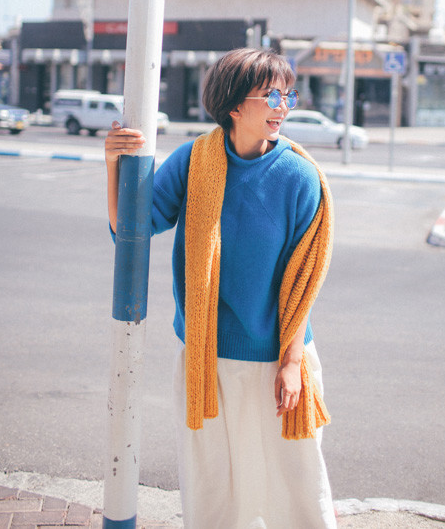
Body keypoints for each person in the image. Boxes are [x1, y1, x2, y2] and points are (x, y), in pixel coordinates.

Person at [105, 48, 336, 529]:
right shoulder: (195, 160)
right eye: (271, 95)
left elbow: (304, 280)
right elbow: (134, 227)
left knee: (296, 482)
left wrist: (292, 364)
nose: (283, 106)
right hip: (206, 357)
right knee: (213, 484)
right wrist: (113, 165)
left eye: (288, 95)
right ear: (233, 104)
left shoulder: (299, 176)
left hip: (279, 359)